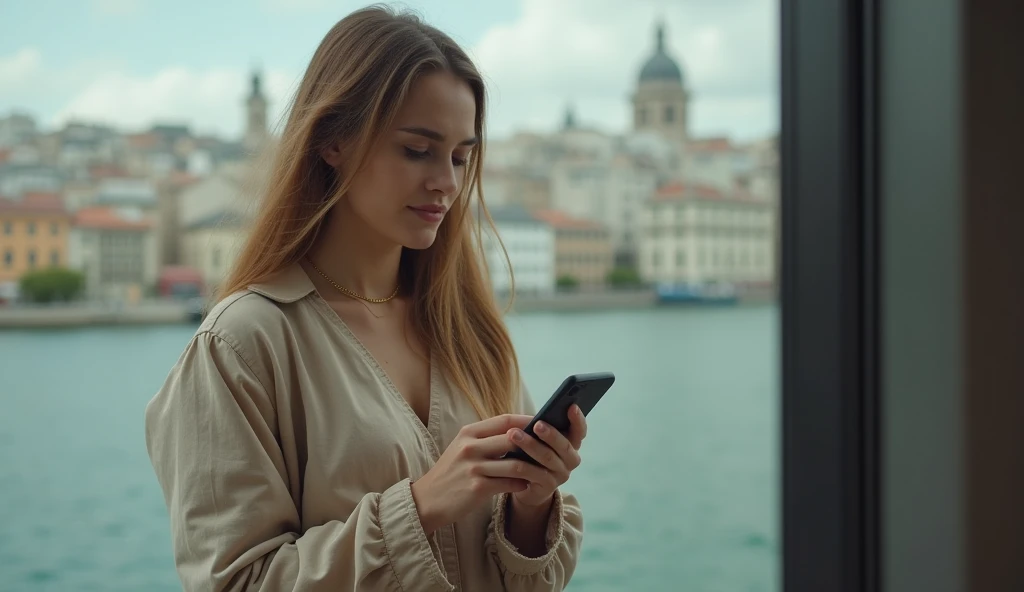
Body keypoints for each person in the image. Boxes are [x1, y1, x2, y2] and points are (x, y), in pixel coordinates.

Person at [144, 5, 586, 591]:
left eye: (459, 156)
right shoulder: (243, 343)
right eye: (416, 150)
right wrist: (421, 506)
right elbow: (235, 583)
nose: (446, 183)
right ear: (333, 142)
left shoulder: (472, 332)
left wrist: (531, 508)